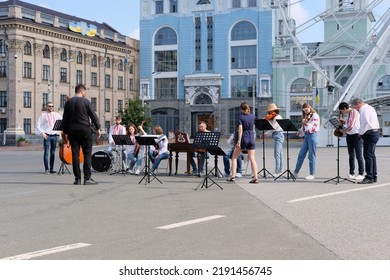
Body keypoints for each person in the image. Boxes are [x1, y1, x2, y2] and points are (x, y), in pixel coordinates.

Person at [62, 84, 101, 185]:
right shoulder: (86, 101)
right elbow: (93, 116)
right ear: (82, 91)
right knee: (87, 154)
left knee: (75, 154)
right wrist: (98, 128)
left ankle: (77, 179)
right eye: (85, 92)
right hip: (84, 130)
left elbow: (65, 119)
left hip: (72, 131)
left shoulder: (68, 103)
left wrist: (65, 132)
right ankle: (87, 178)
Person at [227, 102, 258, 183]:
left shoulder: (240, 117)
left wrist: (239, 141)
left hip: (244, 137)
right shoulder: (252, 116)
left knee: (234, 157)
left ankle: (233, 176)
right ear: (248, 109)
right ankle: (255, 177)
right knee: (252, 158)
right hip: (251, 137)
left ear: (241, 109)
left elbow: (240, 130)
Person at [351, 98, 380, 184]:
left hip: (369, 133)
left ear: (357, 104)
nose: (355, 108)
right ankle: (374, 175)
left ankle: (369, 177)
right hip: (375, 132)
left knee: (367, 156)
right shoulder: (370, 107)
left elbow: (365, 123)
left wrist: (360, 133)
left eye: (354, 106)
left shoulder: (363, 110)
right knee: (371, 156)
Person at [293, 103, 320, 180]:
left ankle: (312, 174)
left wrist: (306, 123)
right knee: (301, 155)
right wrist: (300, 131)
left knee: (311, 155)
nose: (306, 112)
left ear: (309, 107)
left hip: (312, 136)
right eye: (304, 110)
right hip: (306, 137)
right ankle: (295, 172)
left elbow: (314, 128)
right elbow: (303, 128)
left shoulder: (315, 115)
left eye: (307, 109)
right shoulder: (306, 116)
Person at [338, 102, 365, 180]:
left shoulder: (354, 112)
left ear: (345, 109)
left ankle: (361, 173)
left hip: (357, 135)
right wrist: (342, 121)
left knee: (358, 155)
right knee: (351, 155)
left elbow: (351, 125)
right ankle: (351, 173)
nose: (342, 112)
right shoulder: (349, 114)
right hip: (349, 135)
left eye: (342, 111)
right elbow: (348, 124)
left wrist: (344, 131)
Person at [35, 101, 62, 174]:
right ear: (47, 107)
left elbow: (62, 121)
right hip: (47, 136)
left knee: (53, 153)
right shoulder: (43, 115)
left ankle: (51, 169)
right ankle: (46, 169)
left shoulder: (56, 114)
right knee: (46, 152)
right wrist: (42, 133)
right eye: (49, 106)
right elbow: (38, 125)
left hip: (54, 136)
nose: (51, 107)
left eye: (52, 106)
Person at [264, 103, 284, 177]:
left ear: (275, 111)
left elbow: (273, 127)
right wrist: (265, 134)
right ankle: (281, 170)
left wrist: (267, 121)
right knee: (280, 154)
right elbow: (272, 130)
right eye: (269, 112)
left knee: (277, 153)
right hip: (277, 135)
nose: (270, 113)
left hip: (278, 135)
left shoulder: (277, 117)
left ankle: (277, 172)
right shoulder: (274, 117)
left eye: (271, 111)